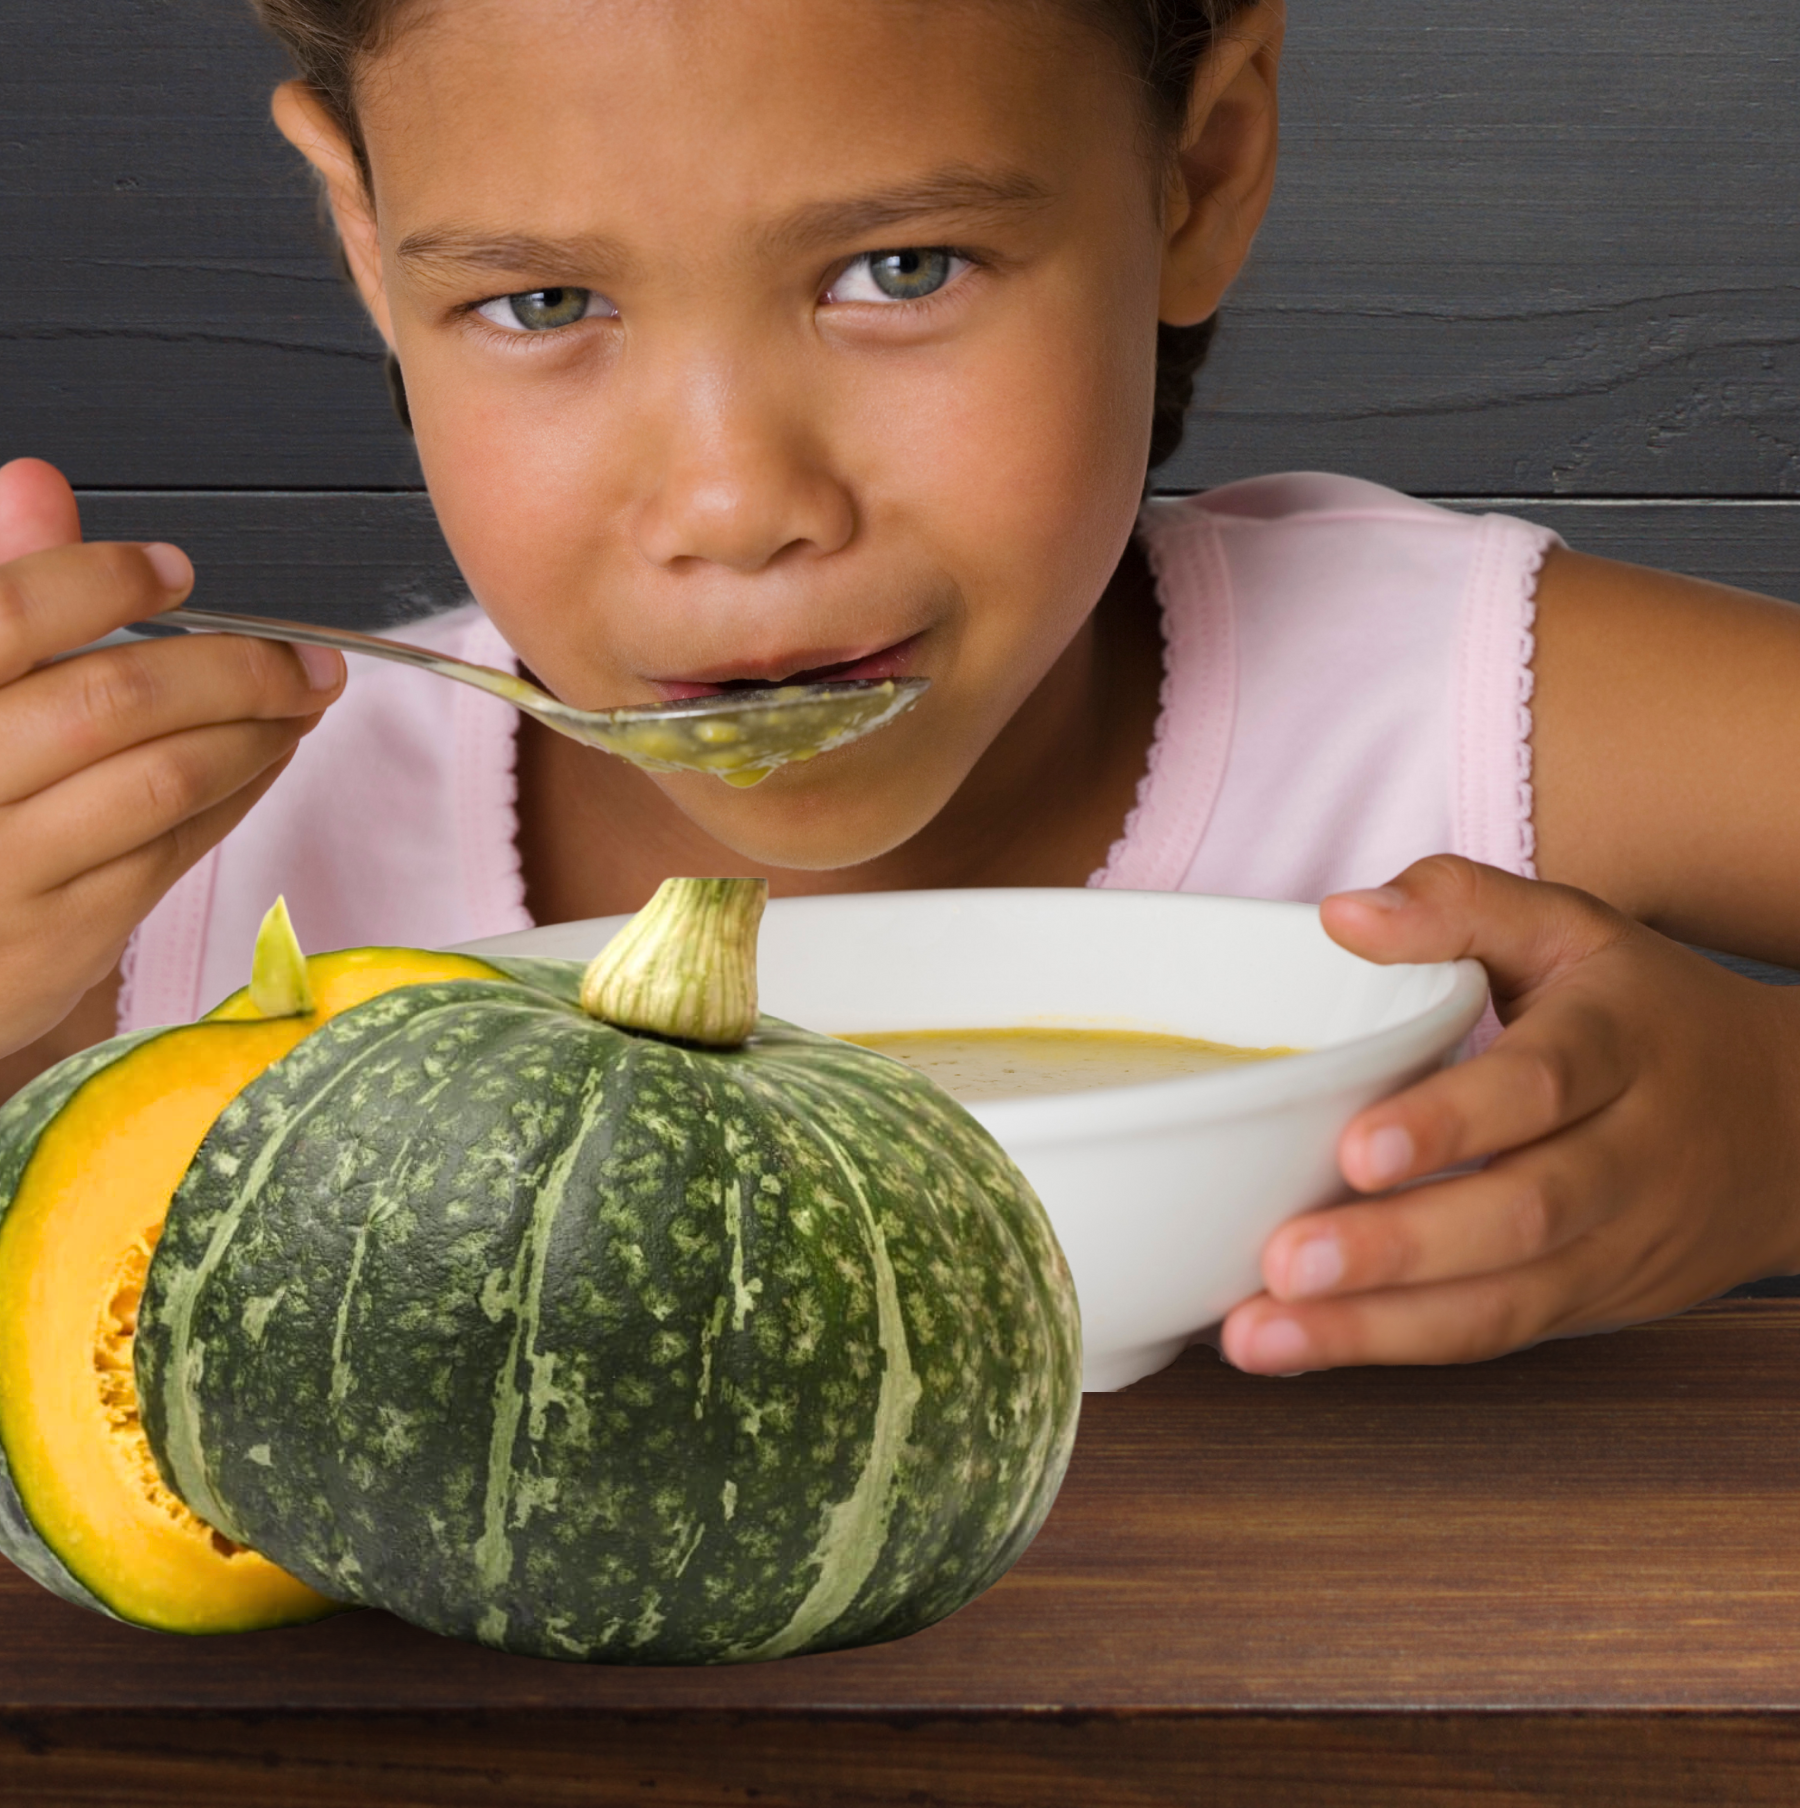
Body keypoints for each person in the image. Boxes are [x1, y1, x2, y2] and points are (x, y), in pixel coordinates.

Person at [4, 0, 1798, 1379]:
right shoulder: (173, 897)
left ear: (1203, 169)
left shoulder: (1453, 702)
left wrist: (1771, 1129)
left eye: (900, 270)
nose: (734, 505)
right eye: (545, 302)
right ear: (363, 237)